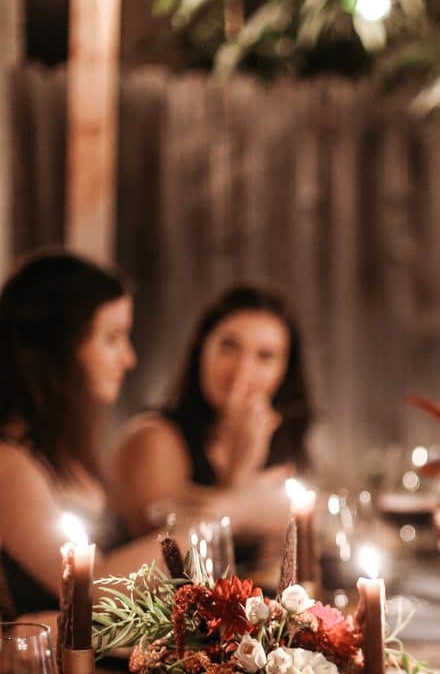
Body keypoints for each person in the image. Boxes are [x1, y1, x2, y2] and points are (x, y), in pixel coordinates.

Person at [0, 248, 170, 625]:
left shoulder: (66, 451)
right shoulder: (9, 463)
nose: (129, 358)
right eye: (112, 338)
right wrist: (200, 533)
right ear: (59, 348)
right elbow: (91, 586)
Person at [108, 285, 312, 565]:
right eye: (229, 347)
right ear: (202, 349)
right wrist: (240, 477)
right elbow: (172, 566)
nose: (242, 371)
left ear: (284, 371)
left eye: (265, 356)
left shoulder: (279, 442)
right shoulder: (153, 438)